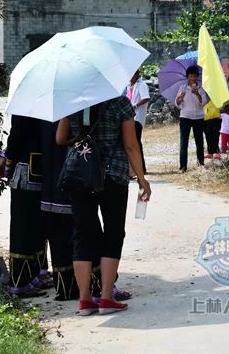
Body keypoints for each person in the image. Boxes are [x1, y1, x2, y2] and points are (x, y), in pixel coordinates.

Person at [56, 96, 150, 315]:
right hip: (113, 175)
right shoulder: (120, 102)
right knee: (113, 232)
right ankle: (106, 297)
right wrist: (142, 179)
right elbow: (130, 145)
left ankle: (85, 300)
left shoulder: (73, 100)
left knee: (82, 232)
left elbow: (60, 138)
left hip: (80, 175)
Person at [5, 115, 48, 297]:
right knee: (32, 226)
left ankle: (23, 279)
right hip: (39, 169)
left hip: (25, 169)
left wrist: (7, 162)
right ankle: (27, 277)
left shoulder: (26, 106)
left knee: (26, 227)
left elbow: (16, 136)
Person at [39, 119, 78, 301]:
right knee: (77, 233)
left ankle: (64, 288)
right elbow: (63, 139)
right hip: (72, 178)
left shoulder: (43, 110)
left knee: (57, 235)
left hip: (48, 182)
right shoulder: (77, 107)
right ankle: (83, 284)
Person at [175, 66, 209, 172]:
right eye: (190, 76)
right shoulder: (182, 88)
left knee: (199, 141)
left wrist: (197, 94)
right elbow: (177, 103)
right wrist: (180, 98)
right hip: (185, 117)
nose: (193, 78)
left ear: (197, 77)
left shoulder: (201, 88)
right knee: (184, 142)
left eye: (194, 76)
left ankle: (201, 164)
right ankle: (183, 166)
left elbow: (203, 103)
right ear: (187, 77)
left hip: (198, 117)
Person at [126, 71, 150, 174]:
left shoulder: (141, 84)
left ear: (137, 74)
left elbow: (146, 98)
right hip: (130, 117)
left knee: (136, 143)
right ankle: (134, 168)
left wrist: (135, 105)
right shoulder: (129, 85)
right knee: (132, 142)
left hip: (137, 117)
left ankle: (141, 168)